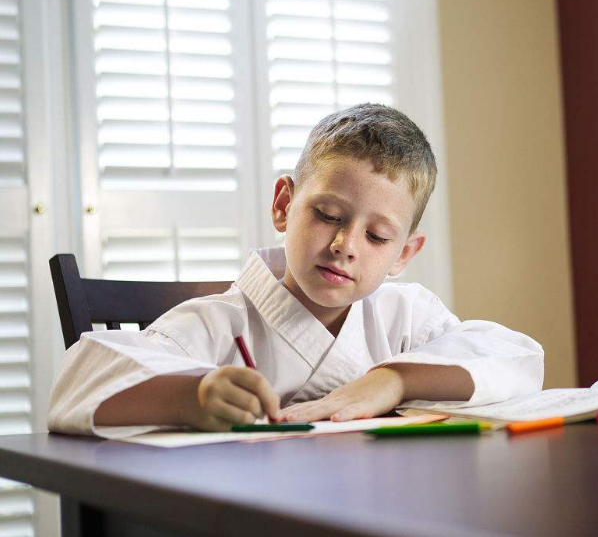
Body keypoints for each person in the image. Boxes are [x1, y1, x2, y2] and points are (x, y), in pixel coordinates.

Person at [47, 103, 544, 438]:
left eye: (376, 237)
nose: (345, 245)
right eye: (328, 215)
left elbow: (519, 360)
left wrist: (395, 379)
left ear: (404, 254)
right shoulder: (216, 324)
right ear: (284, 204)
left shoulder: (407, 319)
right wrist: (189, 398)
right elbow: (74, 382)